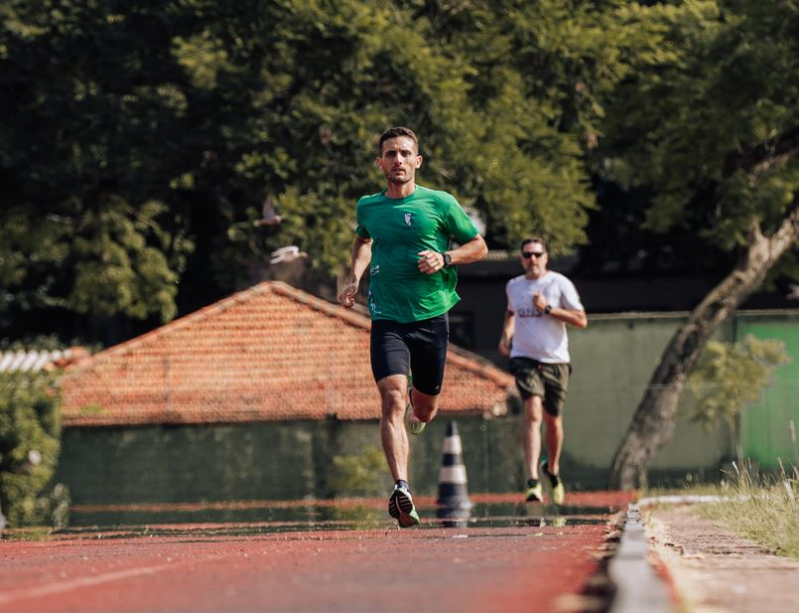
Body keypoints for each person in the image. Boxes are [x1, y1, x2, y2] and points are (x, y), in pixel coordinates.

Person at [338, 127, 488, 527]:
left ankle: (420, 417)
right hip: (386, 318)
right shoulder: (368, 207)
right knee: (392, 398)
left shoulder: (439, 203)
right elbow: (363, 241)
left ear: (417, 161)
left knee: (423, 407)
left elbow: (479, 247)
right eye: (390, 154)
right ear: (380, 163)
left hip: (431, 318)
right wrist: (353, 276)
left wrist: (446, 257)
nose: (398, 160)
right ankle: (401, 487)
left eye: (405, 153)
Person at [498, 237, 587, 505]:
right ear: (521, 258)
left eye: (537, 254)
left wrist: (547, 308)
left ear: (546, 257)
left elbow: (581, 320)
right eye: (527, 255)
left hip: (556, 361)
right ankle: (533, 480)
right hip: (524, 358)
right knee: (533, 412)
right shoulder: (514, 286)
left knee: (553, 421)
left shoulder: (559, 283)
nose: (532, 259)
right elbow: (511, 312)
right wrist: (506, 334)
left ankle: (553, 469)